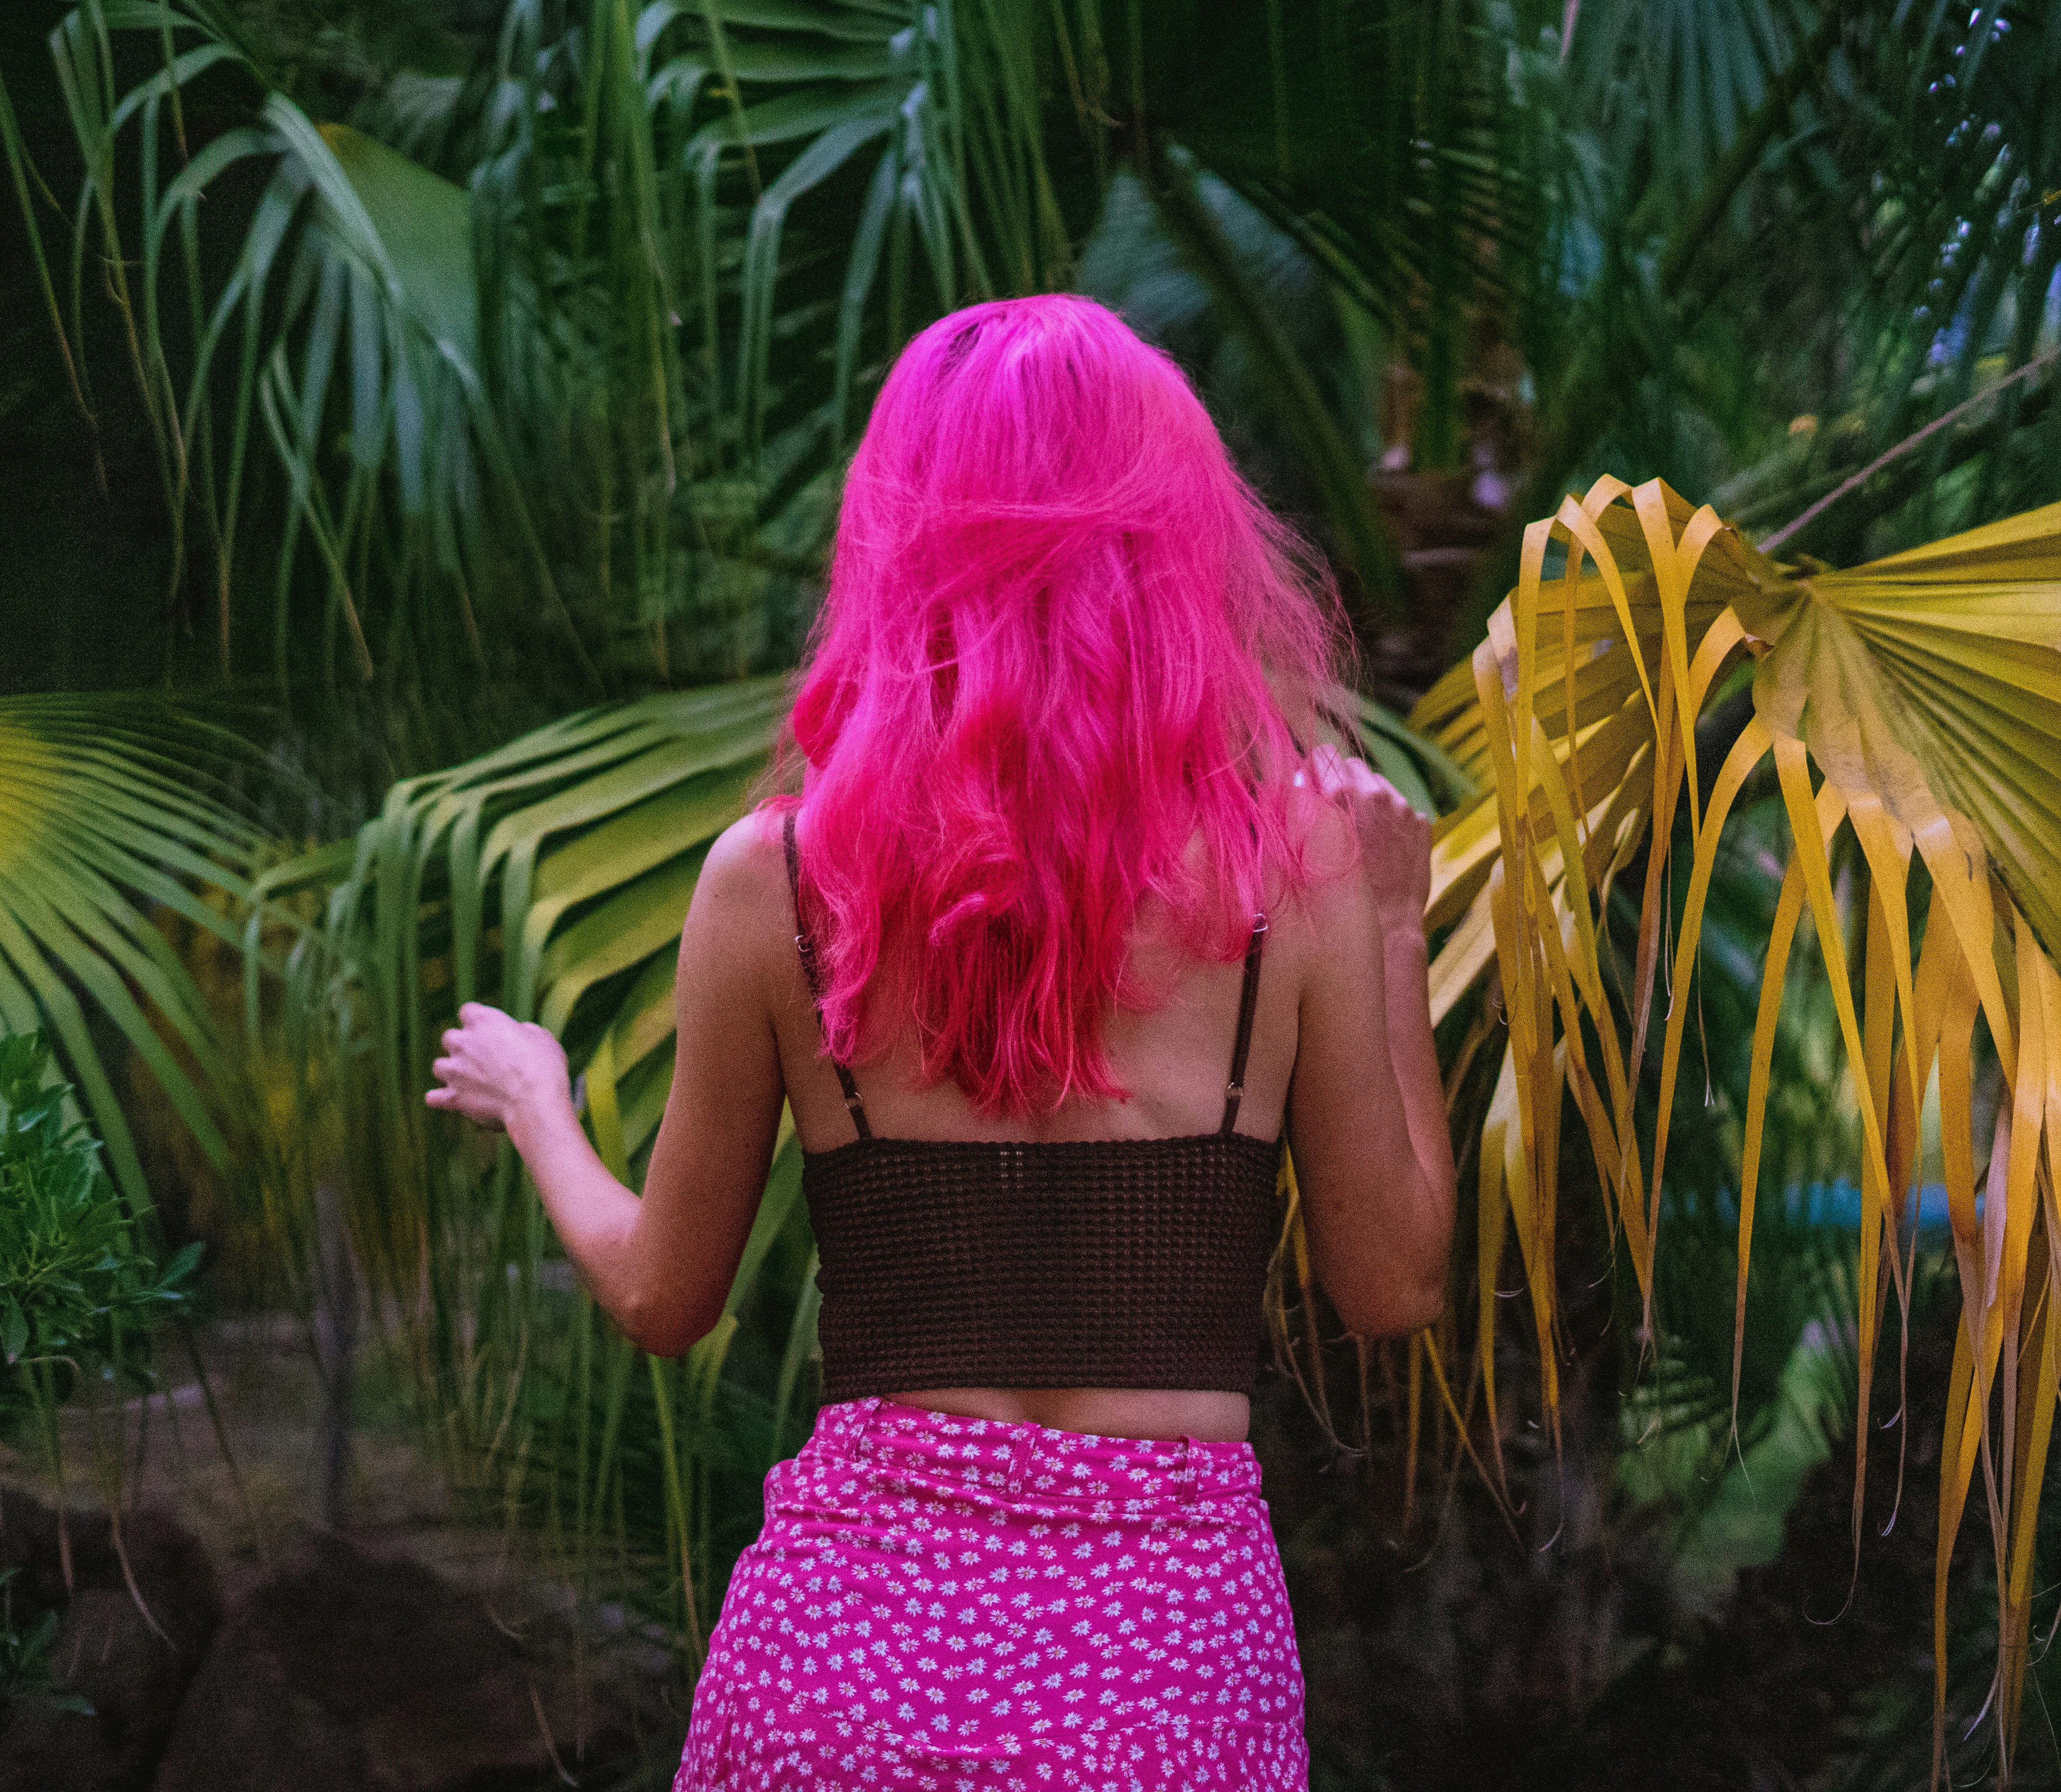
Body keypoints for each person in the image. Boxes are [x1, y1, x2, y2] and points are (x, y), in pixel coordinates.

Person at [428, 293, 1453, 1789]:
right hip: (1161, 1673)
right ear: (1179, 549)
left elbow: (664, 1296)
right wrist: (1397, 926)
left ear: (900, 544)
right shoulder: (1290, 876)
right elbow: (1397, 1283)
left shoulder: (774, 880)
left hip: (846, 1657)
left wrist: (538, 1101)